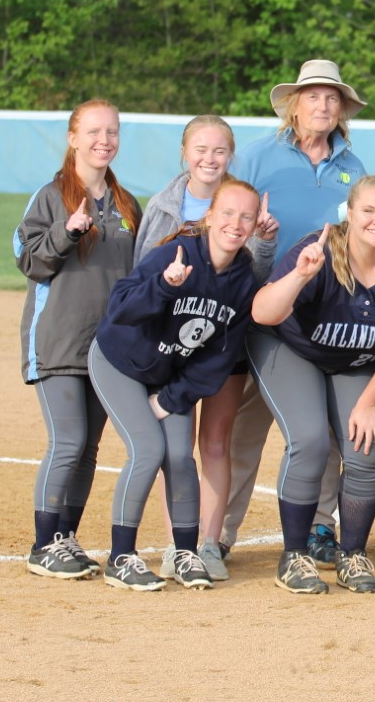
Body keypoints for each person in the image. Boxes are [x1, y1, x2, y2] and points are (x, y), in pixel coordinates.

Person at [249, 176, 375, 594]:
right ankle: (294, 556)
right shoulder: (319, 249)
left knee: (370, 445)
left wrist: (367, 403)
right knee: (311, 440)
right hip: (289, 348)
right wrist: (298, 276)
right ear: (350, 213)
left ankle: (351, 553)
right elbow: (262, 312)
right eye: (368, 210)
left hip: (352, 361)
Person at [223, 59, 369, 569]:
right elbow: (225, 221)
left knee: (326, 434)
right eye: (313, 96)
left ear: (342, 109)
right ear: (294, 104)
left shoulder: (354, 168)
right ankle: (218, 533)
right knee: (243, 431)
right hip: (260, 311)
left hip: (326, 319)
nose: (323, 105)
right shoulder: (258, 157)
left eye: (332, 98)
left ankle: (319, 526)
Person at [89, 179, 261, 591]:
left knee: (181, 457)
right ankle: (121, 557)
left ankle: (185, 552)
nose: (235, 224)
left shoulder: (244, 281)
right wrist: (165, 286)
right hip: (121, 362)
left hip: (170, 375)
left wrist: (172, 399)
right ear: (208, 216)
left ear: (255, 225)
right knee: (148, 450)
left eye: (246, 217)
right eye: (227, 213)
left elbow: (217, 358)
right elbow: (121, 308)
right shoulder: (176, 253)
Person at [135, 115, 279, 582]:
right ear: (184, 152)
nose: (209, 158)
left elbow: (251, 284)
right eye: (200, 149)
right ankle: (179, 543)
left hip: (224, 346)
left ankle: (211, 543)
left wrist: (264, 241)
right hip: (173, 346)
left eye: (219, 151)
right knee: (176, 447)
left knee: (215, 443)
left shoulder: (243, 203)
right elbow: (144, 275)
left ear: (230, 156)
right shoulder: (164, 205)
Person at [16, 99, 142, 580]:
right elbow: (29, 260)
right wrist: (67, 232)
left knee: (88, 448)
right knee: (67, 441)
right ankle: (42, 544)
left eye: (112, 132)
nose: (103, 140)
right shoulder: (50, 197)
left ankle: (65, 535)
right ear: (72, 138)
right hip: (59, 341)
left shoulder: (127, 204)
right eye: (93, 131)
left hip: (107, 349)